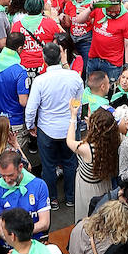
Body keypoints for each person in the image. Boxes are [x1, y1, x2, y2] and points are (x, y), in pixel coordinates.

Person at [24, 42, 82, 208]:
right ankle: (71, 197)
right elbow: (79, 103)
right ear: (60, 57)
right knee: (70, 163)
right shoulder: (74, 77)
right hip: (68, 128)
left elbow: (31, 108)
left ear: (44, 59)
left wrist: (30, 126)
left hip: (46, 129)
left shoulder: (40, 81)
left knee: (48, 166)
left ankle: (53, 199)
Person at [67, 102, 120, 220]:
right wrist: (92, 124)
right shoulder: (116, 141)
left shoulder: (86, 149)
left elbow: (69, 141)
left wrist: (73, 116)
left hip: (87, 187)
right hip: (104, 184)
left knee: (87, 216)